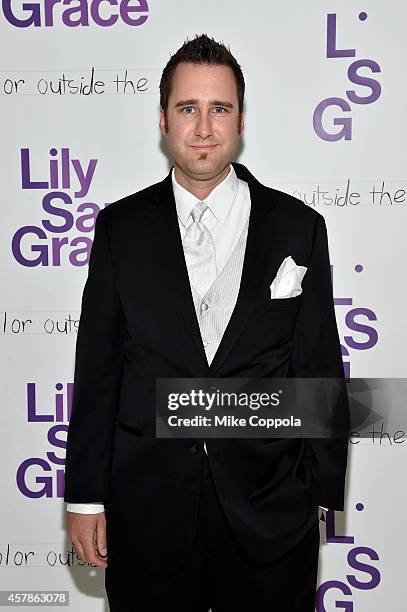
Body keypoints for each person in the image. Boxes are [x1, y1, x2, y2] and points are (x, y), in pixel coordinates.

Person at [64, 33, 349, 611]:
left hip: (271, 514)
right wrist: (86, 499)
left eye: (219, 109)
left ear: (240, 120)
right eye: (187, 108)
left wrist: (319, 486)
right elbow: (98, 371)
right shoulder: (120, 230)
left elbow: (317, 362)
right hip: (149, 511)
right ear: (163, 119)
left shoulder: (299, 228)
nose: (203, 127)